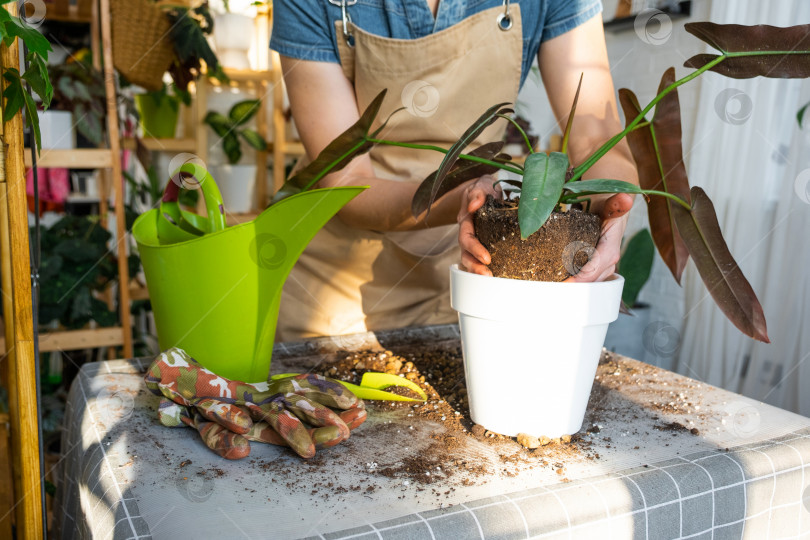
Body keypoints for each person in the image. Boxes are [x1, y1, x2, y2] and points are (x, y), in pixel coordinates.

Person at [270, 0, 638, 341]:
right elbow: (346, 181)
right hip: (343, 292)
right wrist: (465, 198)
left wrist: (610, 206)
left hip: (477, 276)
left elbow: (595, 138)